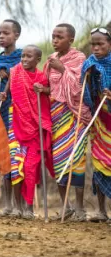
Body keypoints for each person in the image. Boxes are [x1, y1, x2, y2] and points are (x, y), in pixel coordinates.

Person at [0, 45, 54, 219]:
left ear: (37, 60)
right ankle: (17, 207)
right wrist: (3, 95)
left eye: (28, 57)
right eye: (23, 56)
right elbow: (7, 92)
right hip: (15, 124)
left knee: (30, 167)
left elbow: (51, 93)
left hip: (34, 128)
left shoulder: (41, 77)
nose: (24, 59)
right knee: (16, 166)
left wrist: (43, 90)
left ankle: (28, 207)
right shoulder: (15, 72)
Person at [43, 23, 91, 221]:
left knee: (77, 159)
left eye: (59, 37)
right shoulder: (50, 60)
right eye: (53, 36)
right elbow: (51, 88)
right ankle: (66, 207)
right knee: (59, 160)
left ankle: (80, 208)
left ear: (70, 40)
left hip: (75, 115)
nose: (55, 40)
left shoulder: (79, 59)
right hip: (56, 115)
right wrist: (41, 89)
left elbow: (81, 87)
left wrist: (63, 69)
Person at [0, 19, 23, 216]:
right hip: (1, 112)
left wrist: (10, 73)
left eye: (6, 33)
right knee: (5, 156)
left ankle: (21, 205)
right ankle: (8, 205)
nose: (2, 36)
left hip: (19, 113)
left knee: (18, 156)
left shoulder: (23, 58)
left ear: (16, 35)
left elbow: (27, 77)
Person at [81, 27, 111, 222]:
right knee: (100, 164)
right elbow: (86, 94)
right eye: (93, 44)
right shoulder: (88, 65)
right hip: (98, 122)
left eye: (100, 44)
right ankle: (101, 211)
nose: (96, 48)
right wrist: (88, 78)